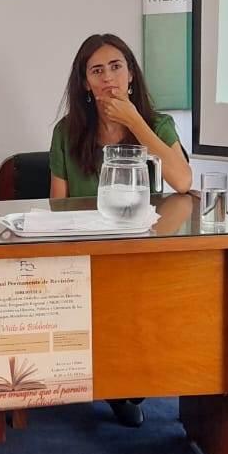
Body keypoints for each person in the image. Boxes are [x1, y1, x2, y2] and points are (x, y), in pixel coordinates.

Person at [49, 33, 192, 428]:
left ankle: (125, 381)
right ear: (85, 83)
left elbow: (183, 181)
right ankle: (108, 379)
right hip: (85, 252)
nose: (108, 77)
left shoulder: (158, 124)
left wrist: (134, 122)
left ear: (130, 74)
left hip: (140, 252)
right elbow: (58, 204)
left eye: (116, 67)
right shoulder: (66, 132)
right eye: (97, 71)